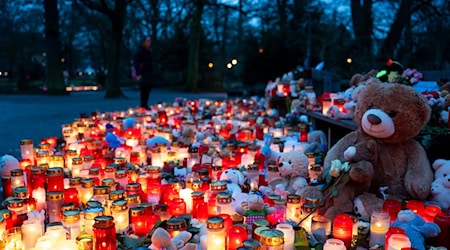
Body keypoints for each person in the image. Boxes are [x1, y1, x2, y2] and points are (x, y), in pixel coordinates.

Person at [133, 36, 153, 109]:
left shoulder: (149, 51)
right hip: (143, 73)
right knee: (144, 89)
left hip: (148, 73)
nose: (149, 43)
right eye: (147, 41)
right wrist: (138, 74)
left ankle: (145, 104)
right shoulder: (140, 51)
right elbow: (137, 63)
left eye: (149, 41)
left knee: (148, 89)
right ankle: (143, 105)